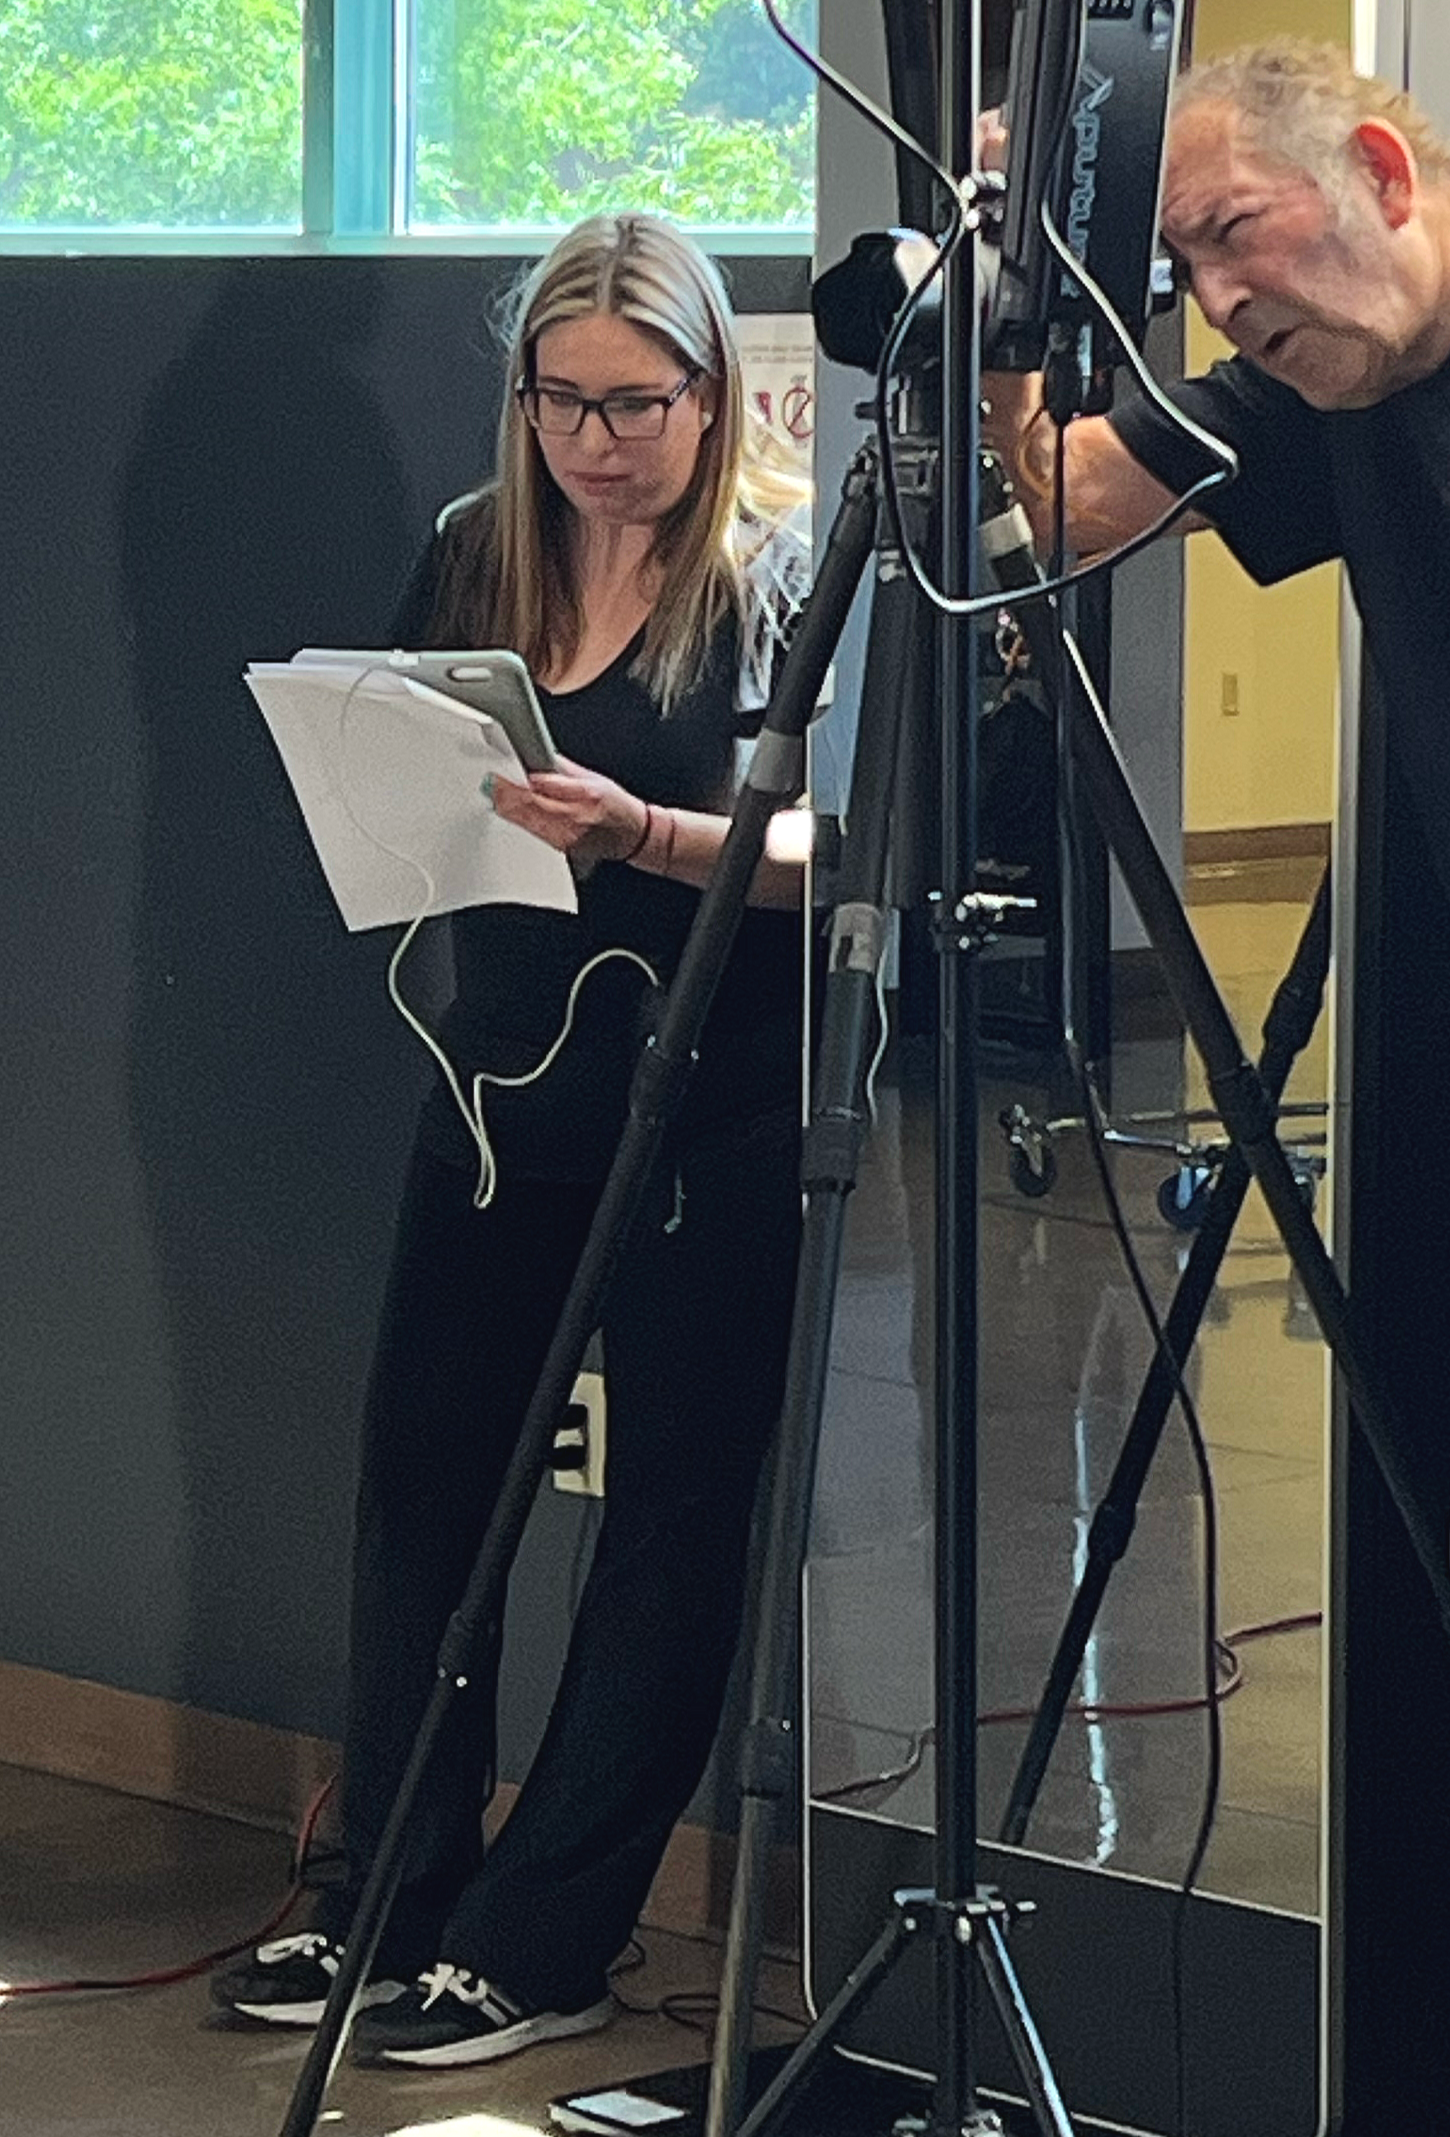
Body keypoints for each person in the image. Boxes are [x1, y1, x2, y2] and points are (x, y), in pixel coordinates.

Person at [212, 212, 813, 2067]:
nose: (592, 440)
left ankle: (548, 1935)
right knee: (424, 1496)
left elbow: (833, 854)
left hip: (704, 1098)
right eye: (557, 399)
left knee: (665, 1521)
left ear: (711, 396)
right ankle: (380, 1897)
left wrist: (639, 831)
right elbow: (405, 779)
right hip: (497, 1093)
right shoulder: (476, 556)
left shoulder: (777, 575)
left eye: (634, 402)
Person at [988, 39, 1450, 1749]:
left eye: (1234, 233)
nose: (1217, 302)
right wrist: (1004, 296)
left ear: (1378, 167)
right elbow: (1068, 507)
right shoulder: (1324, 385)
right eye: (1185, 271)